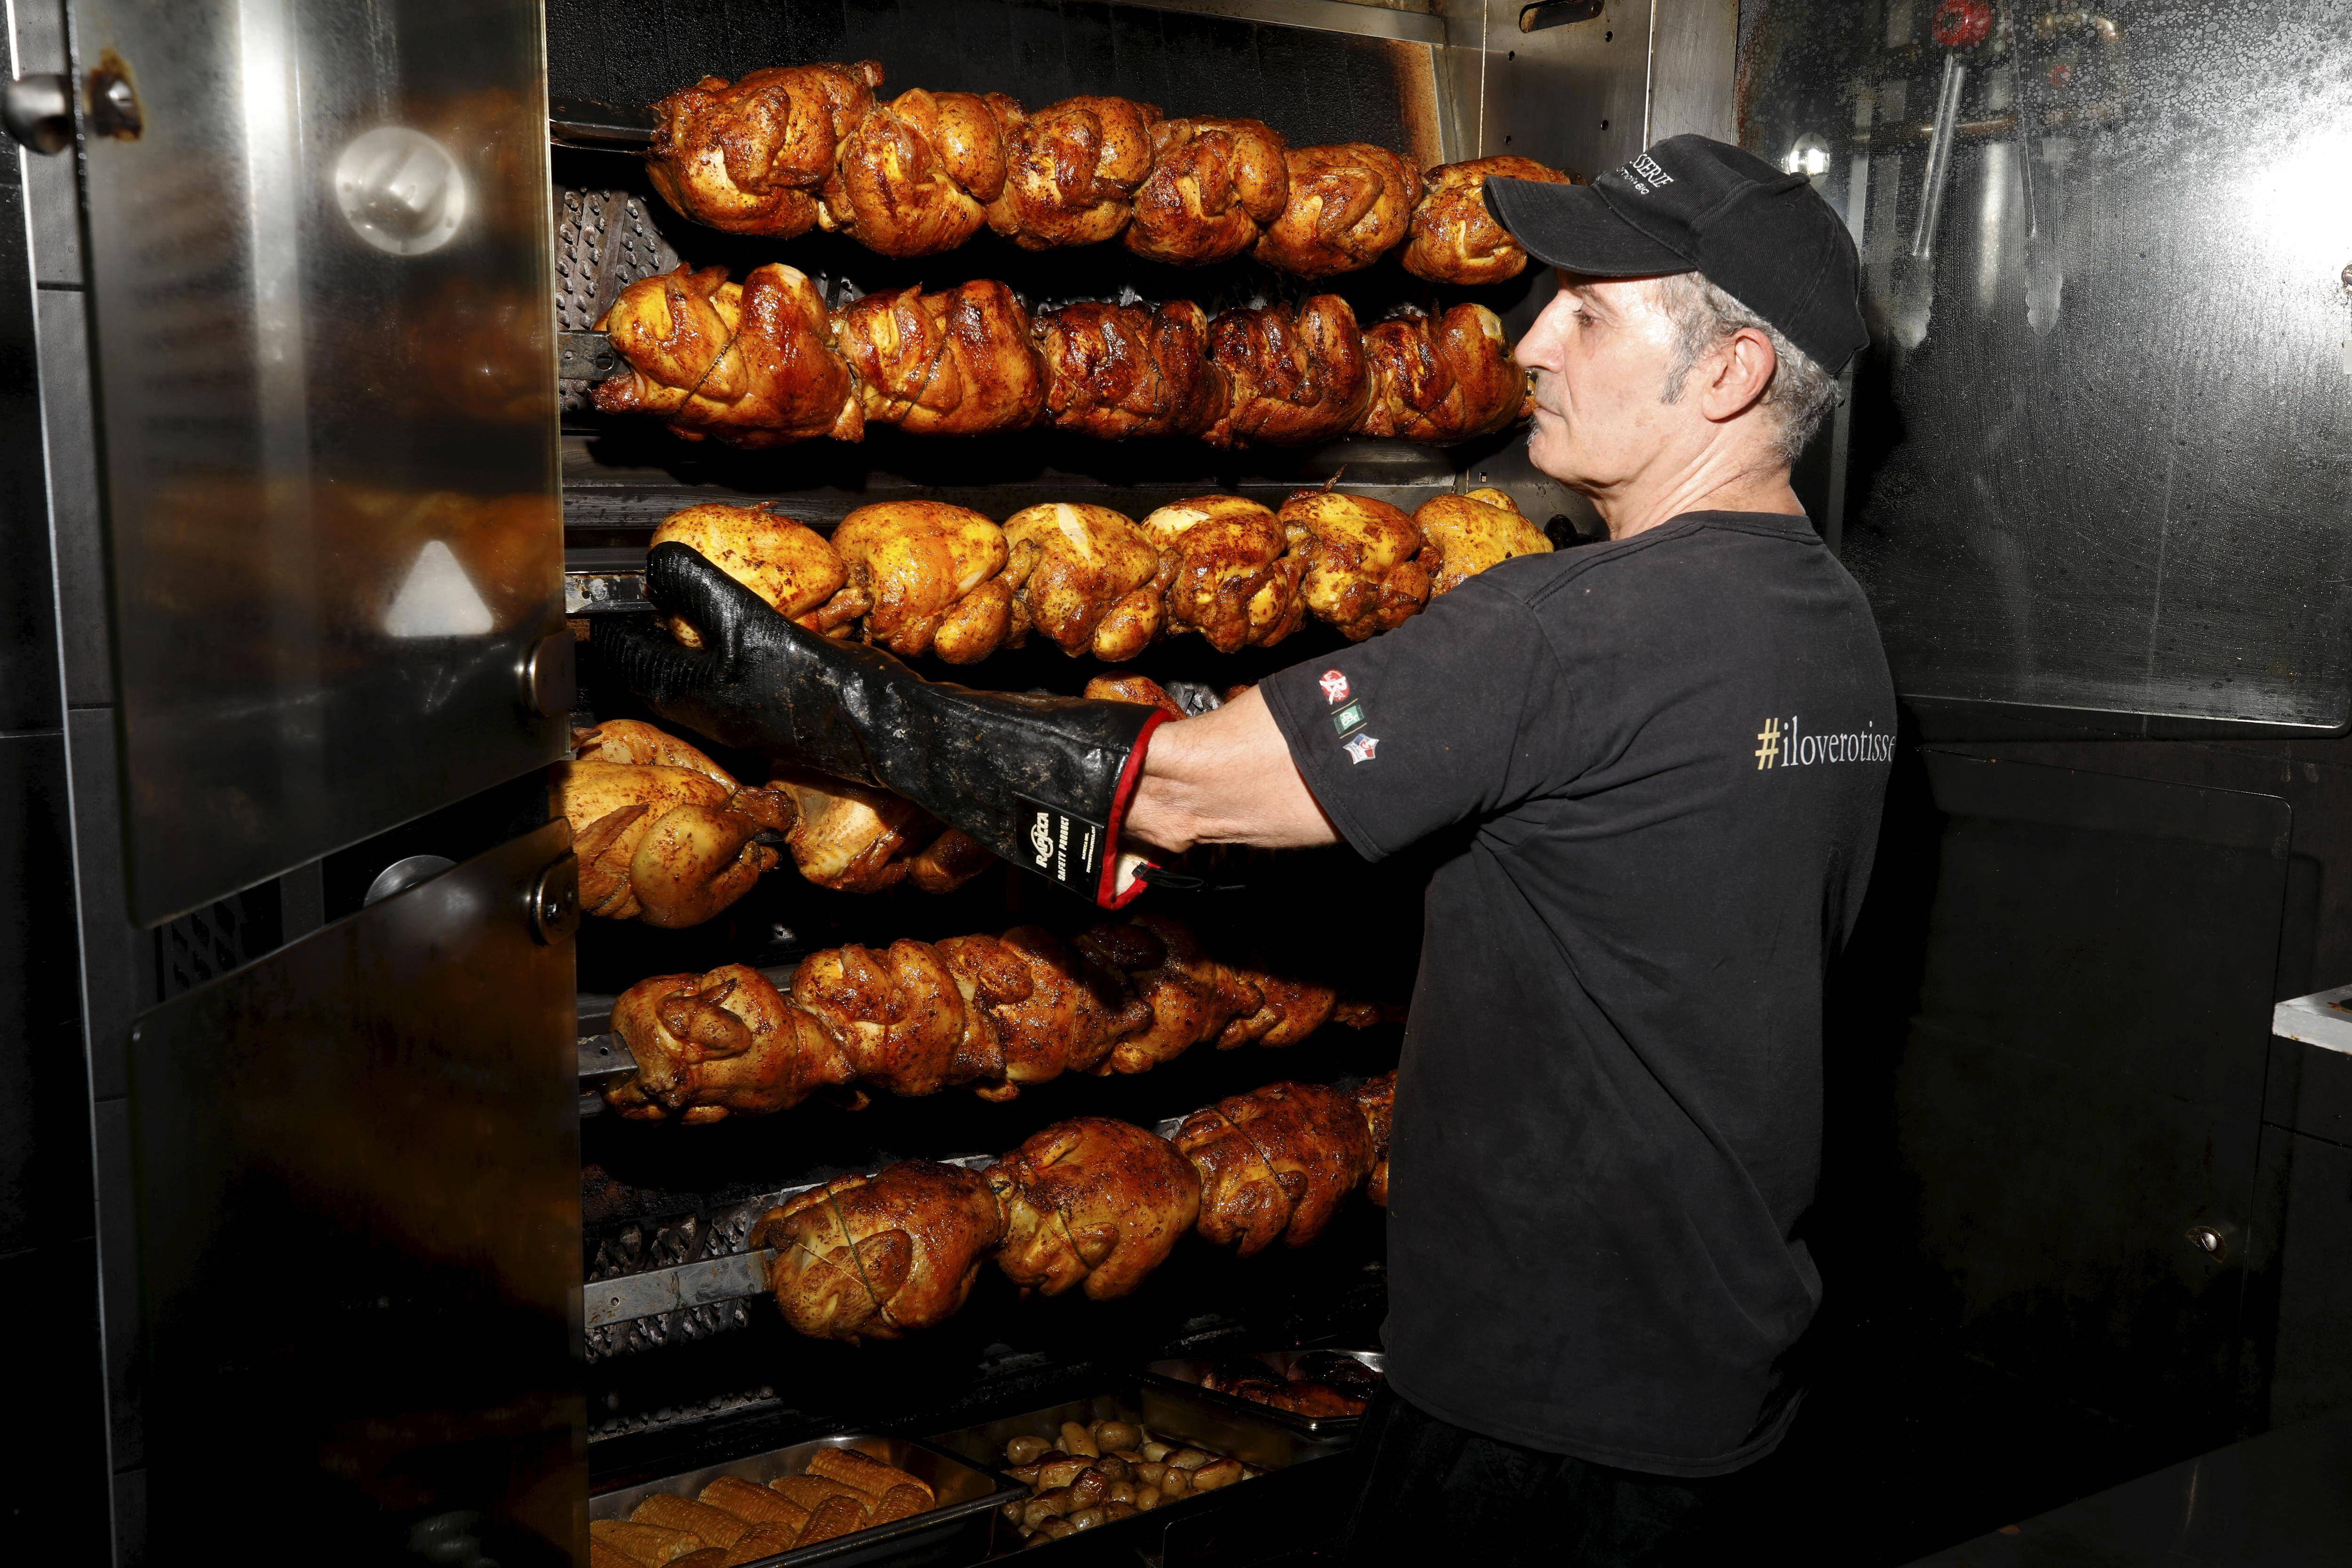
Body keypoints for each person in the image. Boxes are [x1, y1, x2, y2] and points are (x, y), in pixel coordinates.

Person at [608, 135, 1895, 1565]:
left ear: (1729, 377)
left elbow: (1181, 793)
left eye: (1591, 314)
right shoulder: (1829, 629)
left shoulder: (1571, 626)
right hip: (1723, 1356)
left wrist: (826, 704)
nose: (1529, 342)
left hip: (1545, 1408)